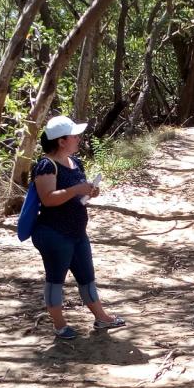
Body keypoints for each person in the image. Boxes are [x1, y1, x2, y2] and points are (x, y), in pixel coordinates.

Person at [30, 115, 125, 339]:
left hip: (76, 232)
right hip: (54, 233)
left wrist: (89, 191)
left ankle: (102, 318)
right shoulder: (46, 165)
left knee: (87, 276)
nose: (78, 138)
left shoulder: (76, 162)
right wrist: (76, 190)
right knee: (55, 279)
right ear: (61, 141)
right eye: (74, 135)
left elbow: (75, 193)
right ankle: (59, 324)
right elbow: (48, 199)